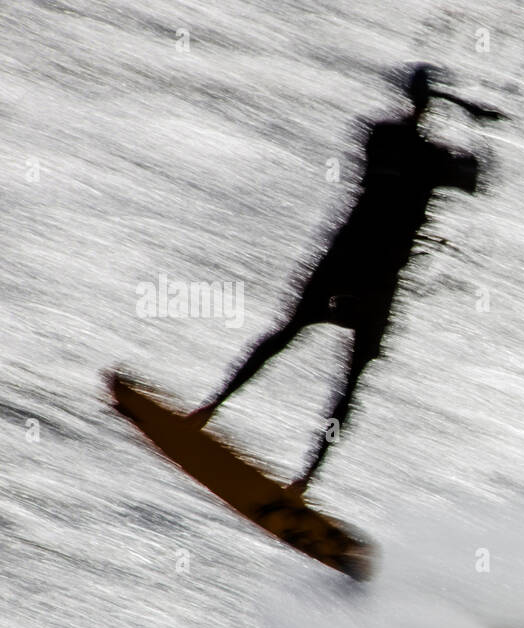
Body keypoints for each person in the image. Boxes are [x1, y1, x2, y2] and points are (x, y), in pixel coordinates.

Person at [187, 64, 503, 495]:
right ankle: (210, 409)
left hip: (374, 279)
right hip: (348, 267)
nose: (421, 109)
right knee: (287, 338)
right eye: (423, 102)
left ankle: (305, 479)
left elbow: (477, 180)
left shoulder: (425, 154)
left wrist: (478, 126)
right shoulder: (386, 138)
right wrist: (467, 116)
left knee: (347, 381)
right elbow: (463, 171)